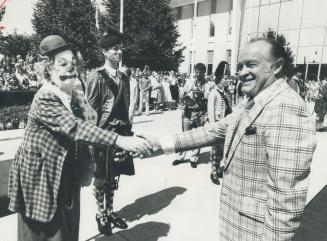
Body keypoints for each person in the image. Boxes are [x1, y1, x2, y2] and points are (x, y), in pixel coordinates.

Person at [142, 38, 317, 241]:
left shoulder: (286, 107)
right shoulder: (255, 99)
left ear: (276, 66)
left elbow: (286, 202)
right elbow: (213, 131)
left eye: (251, 65)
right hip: (237, 226)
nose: (242, 72)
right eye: (240, 66)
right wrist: (161, 143)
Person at [8, 35, 151, 241]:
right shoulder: (46, 96)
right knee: (44, 233)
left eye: (73, 64)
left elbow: (91, 121)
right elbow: (76, 127)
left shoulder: (72, 93)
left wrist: (80, 96)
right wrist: (120, 140)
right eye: (62, 64)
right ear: (48, 68)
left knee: (67, 230)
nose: (70, 68)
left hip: (66, 172)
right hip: (41, 175)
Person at [86, 27, 135, 236]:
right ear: (105, 52)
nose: (119, 52)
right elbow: (90, 111)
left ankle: (111, 210)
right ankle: (101, 214)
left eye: (120, 49)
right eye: (115, 49)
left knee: (113, 177)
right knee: (100, 179)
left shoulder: (124, 78)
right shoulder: (96, 76)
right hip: (102, 135)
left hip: (120, 135)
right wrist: (91, 140)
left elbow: (125, 107)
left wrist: (128, 132)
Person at [173, 63, 208, 168]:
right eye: (196, 72)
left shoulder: (208, 84)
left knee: (197, 136)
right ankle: (181, 156)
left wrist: (202, 93)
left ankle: (194, 157)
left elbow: (209, 98)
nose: (198, 74)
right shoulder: (189, 82)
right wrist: (182, 99)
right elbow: (181, 93)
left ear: (204, 73)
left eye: (200, 72)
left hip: (200, 111)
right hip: (188, 111)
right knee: (184, 135)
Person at [207, 61, 232, 185]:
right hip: (218, 125)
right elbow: (211, 112)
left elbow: (229, 108)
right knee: (216, 151)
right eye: (226, 79)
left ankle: (218, 169)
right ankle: (214, 173)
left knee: (223, 151)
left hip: (227, 125)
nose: (228, 81)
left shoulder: (227, 92)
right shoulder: (214, 93)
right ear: (220, 79)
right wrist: (213, 127)